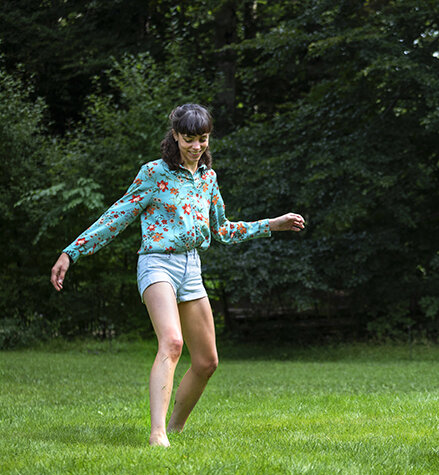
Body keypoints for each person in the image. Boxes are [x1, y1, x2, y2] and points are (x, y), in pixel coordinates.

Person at [50, 103, 305, 447]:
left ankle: (175, 429)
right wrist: (72, 251)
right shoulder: (153, 174)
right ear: (175, 136)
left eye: (202, 139)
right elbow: (117, 216)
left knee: (207, 361)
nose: (196, 146)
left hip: (192, 268)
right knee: (172, 342)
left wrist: (272, 225)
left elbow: (224, 230)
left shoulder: (208, 179)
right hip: (157, 264)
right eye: (189, 139)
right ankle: (157, 435)